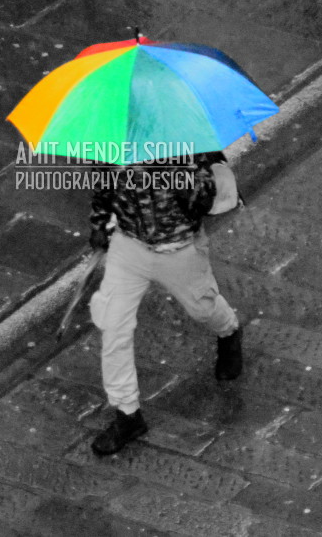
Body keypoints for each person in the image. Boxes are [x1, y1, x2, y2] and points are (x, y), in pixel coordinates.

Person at [86, 151, 242, 456]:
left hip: (179, 249)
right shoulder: (108, 143)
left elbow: (207, 201)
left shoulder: (185, 147)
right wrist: (99, 223)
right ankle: (127, 413)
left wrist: (172, 172)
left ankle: (229, 331)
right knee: (113, 326)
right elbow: (103, 188)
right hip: (128, 246)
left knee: (203, 308)